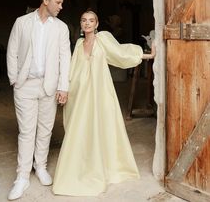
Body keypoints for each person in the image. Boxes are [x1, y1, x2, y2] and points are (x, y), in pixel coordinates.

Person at [53, 10, 155, 196]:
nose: (87, 23)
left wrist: (146, 55)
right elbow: (71, 69)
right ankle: (80, 166)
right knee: (80, 129)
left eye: (91, 20)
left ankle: (103, 167)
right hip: (80, 94)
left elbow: (121, 54)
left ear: (97, 24)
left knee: (102, 126)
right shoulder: (77, 44)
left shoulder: (104, 39)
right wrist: (64, 90)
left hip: (99, 93)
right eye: (83, 20)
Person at [7, 0, 71, 200]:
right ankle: (22, 177)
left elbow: (65, 58)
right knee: (26, 131)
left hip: (49, 86)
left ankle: (40, 167)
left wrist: (63, 86)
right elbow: (12, 51)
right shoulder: (22, 23)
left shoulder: (61, 28)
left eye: (61, 3)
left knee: (45, 129)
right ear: (46, 0)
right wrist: (14, 79)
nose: (61, 6)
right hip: (25, 85)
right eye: (58, 2)